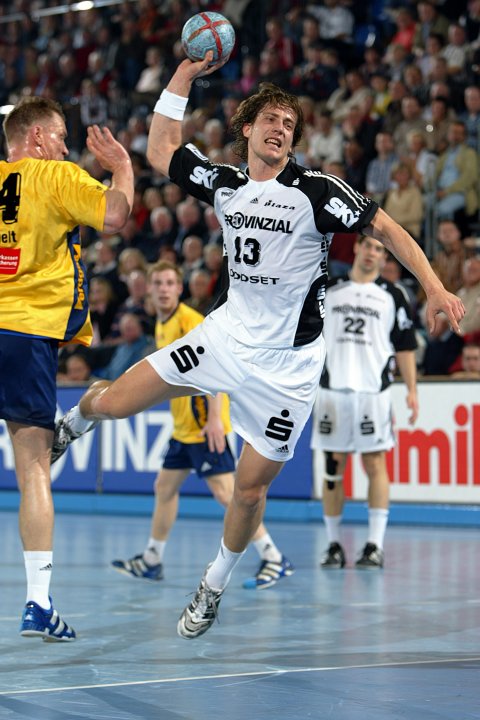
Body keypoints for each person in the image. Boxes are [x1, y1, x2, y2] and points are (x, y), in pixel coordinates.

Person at [50, 52, 464, 640]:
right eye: (270, 119)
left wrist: (434, 286)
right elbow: (163, 151)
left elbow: (387, 229)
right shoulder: (227, 183)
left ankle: (213, 584)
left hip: (290, 368)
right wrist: (183, 75)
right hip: (225, 338)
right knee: (114, 402)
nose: (281, 129)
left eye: (289, 124)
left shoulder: (316, 191)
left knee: (249, 490)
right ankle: (72, 424)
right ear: (246, 128)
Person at [0, 96, 133, 641]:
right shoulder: (55, 175)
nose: (64, 145)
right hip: (25, 332)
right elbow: (115, 216)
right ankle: (38, 603)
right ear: (35, 137)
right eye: (58, 135)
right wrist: (122, 167)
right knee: (34, 466)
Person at [111, 261, 294, 589]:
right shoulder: (162, 322)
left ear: (179, 288)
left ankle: (274, 556)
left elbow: (217, 368)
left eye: (170, 283)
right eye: (158, 283)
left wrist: (213, 420)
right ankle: (152, 559)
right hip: (183, 429)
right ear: (149, 289)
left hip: (203, 429)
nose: (164, 289)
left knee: (228, 494)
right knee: (164, 487)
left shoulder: (190, 321)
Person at [311, 235, 419, 569]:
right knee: (333, 469)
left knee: (375, 464)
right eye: (369, 246)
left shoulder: (394, 295)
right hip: (332, 392)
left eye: (380, 250)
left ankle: (374, 545)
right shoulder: (330, 288)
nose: (373, 253)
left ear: (385, 257)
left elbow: (405, 346)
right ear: (357, 247)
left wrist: (412, 390)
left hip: (373, 394)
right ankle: (333, 545)